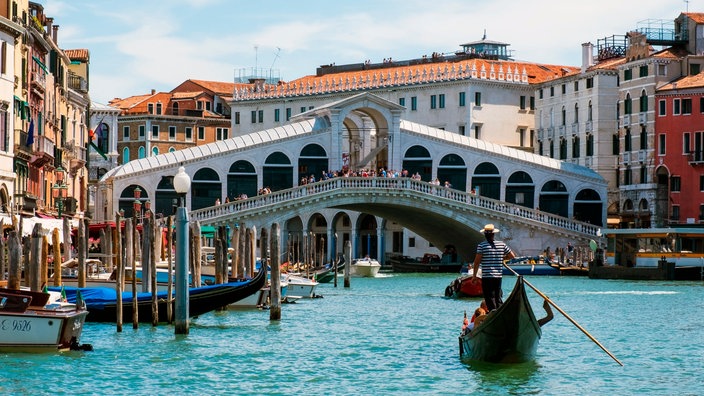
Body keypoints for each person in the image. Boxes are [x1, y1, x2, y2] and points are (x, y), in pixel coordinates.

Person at [471, 224, 516, 312]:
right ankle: (500, 312)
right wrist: (502, 258)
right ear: (493, 234)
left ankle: (494, 313)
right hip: (498, 276)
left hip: (487, 276)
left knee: (489, 297)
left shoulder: (482, 246)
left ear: (485, 234)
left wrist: (474, 276)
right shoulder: (501, 244)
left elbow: (476, 262)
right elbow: (512, 256)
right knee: (497, 297)